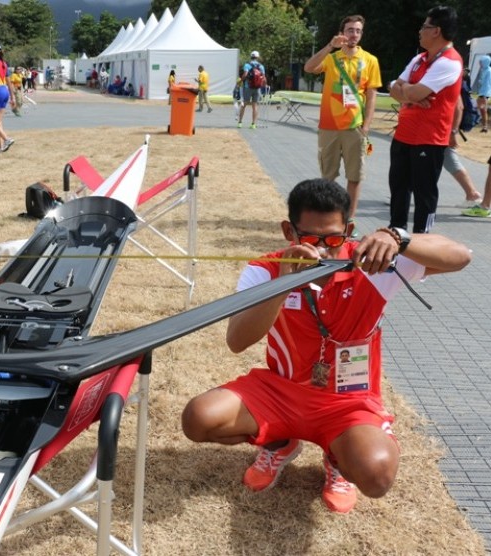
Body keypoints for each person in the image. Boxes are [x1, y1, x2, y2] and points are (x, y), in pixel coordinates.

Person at [181, 178, 471, 514]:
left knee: (376, 475)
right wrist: (285, 280)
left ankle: (338, 459)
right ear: (289, 232)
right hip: (280, 393)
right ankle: (279, 443)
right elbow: (237, 341)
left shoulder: (372, 263)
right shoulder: (266, 268)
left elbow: (460, 257)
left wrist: (397, 237)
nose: (322, 249)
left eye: (334, 238)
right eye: (310, 238)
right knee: (198, 419)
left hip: (348, 402)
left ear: (349, 230)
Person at [304, 16, 381, 237]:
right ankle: (326, 218)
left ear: (361, 34)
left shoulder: (370, 60)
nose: (353, 35)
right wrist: (329, 46)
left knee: (354, 176)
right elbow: (309, 67)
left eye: (357, 31)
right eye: (349, 30)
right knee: (327, 176)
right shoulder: (332, 58)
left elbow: (372, 95)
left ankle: (348, 222)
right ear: (341, 33)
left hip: (354, 127)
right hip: (329, 125)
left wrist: (366, 125)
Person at [388, 6, 462, 234]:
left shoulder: (449, 61)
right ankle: (396, 236)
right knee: (398, 189)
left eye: (424, 26)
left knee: (424, 194)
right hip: (403, 135)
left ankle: (422, 241)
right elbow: (392, 87)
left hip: (429, 140)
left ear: (436, 31)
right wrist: (409, 93)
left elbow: (408, 91)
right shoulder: (420, 58)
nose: (420, 31)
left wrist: (407, 92)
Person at [238, 51, 266, 129]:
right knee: (255, 106)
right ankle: (253, 124)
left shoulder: (247, 65)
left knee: (244, 104)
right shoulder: (261, 66)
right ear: (257, 57)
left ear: (251, 57)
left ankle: (240, 122)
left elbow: (245, 74)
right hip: (257, 88)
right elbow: (263, 78)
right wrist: (264, 85)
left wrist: (240, 81)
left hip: (248, 87)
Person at [475, 54, 491, 133]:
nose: (480, 64)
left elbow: (487, 83)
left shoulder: (489, 70)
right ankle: (482, 124)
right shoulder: (483, 70)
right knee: (480, 109)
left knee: (483, 109)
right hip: (481, 91)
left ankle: (485, 126)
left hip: (485, 92)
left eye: (481, 62)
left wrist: (485, 94)